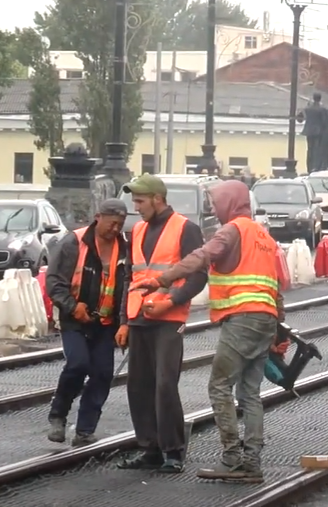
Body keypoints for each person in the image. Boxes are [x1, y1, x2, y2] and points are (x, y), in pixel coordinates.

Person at [132, 180, 286, 483]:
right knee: (250, 393)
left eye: (216, 203)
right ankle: (251, 463)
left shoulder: (232, 230)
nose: (214, 209)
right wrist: (279, 330)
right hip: (264, 319)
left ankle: (232, 459)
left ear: (230, 202)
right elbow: (276, 287)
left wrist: (162, 281)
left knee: (219, 387)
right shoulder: (264, 237)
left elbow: (201, 257)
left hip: (242, 319)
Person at [115, 174, 209, 473]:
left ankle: (173, 450)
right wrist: (124, 321)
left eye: (140, 201)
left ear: (157, 199)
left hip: (169, 318)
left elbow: (198, 275)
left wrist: (173, 299)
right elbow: (130, 277)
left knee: (165, 384)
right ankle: (150, 448)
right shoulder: (138, 229)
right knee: (138, 386)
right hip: (139, 317)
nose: (136, 207)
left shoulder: (186, 229)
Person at [44, 199, 131, 447]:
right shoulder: (74, 242)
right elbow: (54, 282)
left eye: (121, 224)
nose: (115, 229)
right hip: (75, 320)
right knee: (78, 364)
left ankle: (85, 430)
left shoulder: (124, 248)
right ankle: (58, 416)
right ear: (98, 217)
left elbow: (128, 284)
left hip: (105, 323)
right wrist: (72, 307)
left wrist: (125, 321)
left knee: (102, 374)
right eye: (112, 223)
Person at [300, 94, 324, 174]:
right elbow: (324, 121)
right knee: (316, 150)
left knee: (309, 150)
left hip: (309, 131)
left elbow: (300, 119)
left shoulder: (307, 108)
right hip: (318, 132)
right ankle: (315, 167)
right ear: (320, 99)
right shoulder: (322, 109)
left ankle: (309, 167)